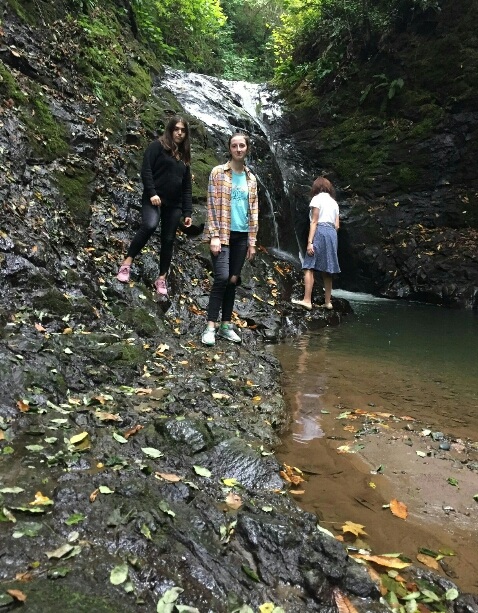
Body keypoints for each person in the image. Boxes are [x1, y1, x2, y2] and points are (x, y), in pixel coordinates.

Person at [116, 116, 193, 296]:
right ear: (170, 130)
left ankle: (161, 278)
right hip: (154, 198)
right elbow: (146, 170)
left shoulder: (184, 156)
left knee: (168, 239)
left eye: (183, 130)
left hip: (174, 205)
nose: (179, 133)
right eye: (176, 129)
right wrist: (152, 193)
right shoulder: (157, 146)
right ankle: (127, 263)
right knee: (150, 225)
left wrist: (187, 212)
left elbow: (187, 187)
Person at [201, 132, 259, 346]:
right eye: (234, 146)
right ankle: (210, 326)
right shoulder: (218, 172)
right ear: (229, 148)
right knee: (222, 277)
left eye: (242, 145)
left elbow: (254, 210)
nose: (238, 149)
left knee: (233, 280)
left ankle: (225, 325)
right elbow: (211, 204)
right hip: (222, 233)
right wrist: (214, 235)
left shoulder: (251, 178)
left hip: (242, 236)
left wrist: (252, 242)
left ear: (247, 149)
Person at [292, 177, 340, 310]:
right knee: (328, 268)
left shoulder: (316, 199)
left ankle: (307, 300)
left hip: (320, 230)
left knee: (309, 266)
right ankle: (328, 302)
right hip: (332, 233)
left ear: (316, 187)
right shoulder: (334, 203)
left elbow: (314, 221)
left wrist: (310, 242)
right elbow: (337, 225)